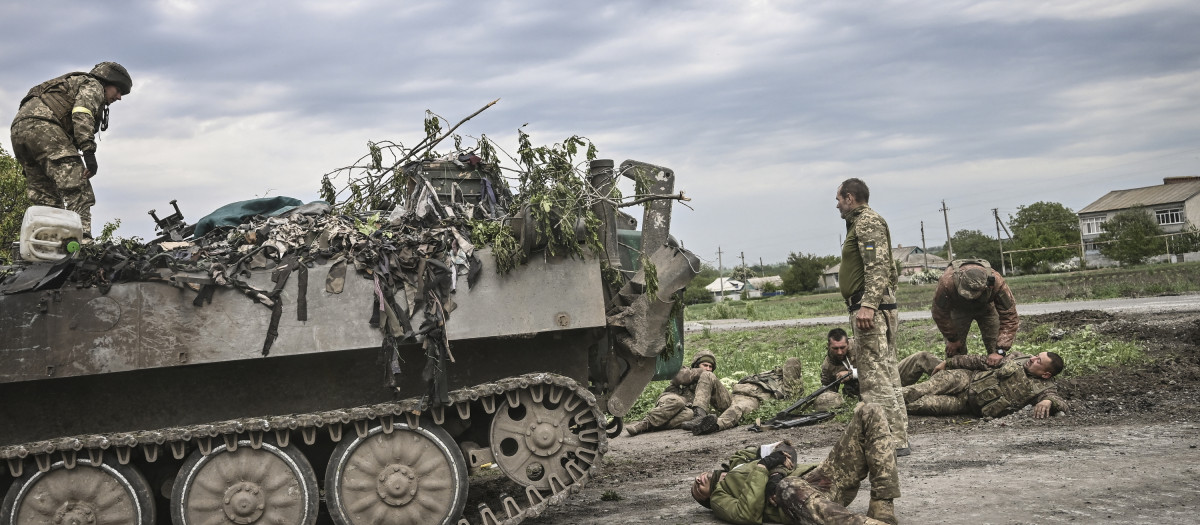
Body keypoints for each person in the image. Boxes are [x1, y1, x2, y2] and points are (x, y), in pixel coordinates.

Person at [691, 403, 900, 525]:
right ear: (707, 500)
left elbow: (785, 448)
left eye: (696, 480)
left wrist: (776, 474)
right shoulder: (720, 497)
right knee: (788, 486)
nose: (697, 481)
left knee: (870, 411)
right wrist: (764, 468)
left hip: (823, 475)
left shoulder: (739, 459)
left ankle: (882, 506)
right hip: (798, 498)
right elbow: (747, 514)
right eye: (696, 490)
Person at [10, 62, 133, 237]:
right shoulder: (93, 85)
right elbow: (82, 113)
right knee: (78, 187)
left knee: (46, 198)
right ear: (107, 82)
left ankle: (48, 246)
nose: (119, 97)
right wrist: (88, 152)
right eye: (118, 90)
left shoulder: (70, 83)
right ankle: (83, 244)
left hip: (19, 133)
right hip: (45, 128)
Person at [835, 178, 909, 456]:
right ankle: (897, 438)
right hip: (877, 307)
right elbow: (890, 269)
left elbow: (877, 266)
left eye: (839, 199)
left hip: (870, 311)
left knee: (875, 378)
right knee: (886, 373)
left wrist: (868, 305)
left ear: (850, 198)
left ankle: (888, 439)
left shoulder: (866, 223)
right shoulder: (862, 222)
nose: (838, 205)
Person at [902, 350, 1067, 419]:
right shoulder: (1017, 358)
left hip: (965, 404)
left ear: (1046, 374)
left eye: (1038, 361)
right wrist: (949, 362)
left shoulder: (1044, 389)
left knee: (922, 405)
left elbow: (1062, 404)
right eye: (1036, 355)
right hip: (965, 379)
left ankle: (883, 405)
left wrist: (1048, 401)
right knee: (920, 390)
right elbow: (981, 361)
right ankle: (883, 396)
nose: (1032, 358)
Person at [813, 329, 941, 411]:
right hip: (867, 394)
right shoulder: (827, 366)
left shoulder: (861, 345)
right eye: (835, 349)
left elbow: (880, 367)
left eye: (843, 347)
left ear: (848, 343)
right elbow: (828, 392)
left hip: (887, 378)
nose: (840, 351)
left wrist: (853, 375)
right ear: (828, 346)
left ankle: (950, 376)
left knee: (921, 357)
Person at [931, 259, 1019, 365]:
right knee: (955, 352)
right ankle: (956, 374)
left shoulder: (996, 282)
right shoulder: (947, 282)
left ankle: (997, 374)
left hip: (987, 308)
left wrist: (1001, 350)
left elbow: (1010, 315)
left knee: (996, 348)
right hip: (959, 309)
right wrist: (952, 338)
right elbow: (939, 313)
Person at [626, 351, 732, 436]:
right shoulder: (686, 371)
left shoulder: (708, 381)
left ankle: (650, 426)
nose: (708, 369)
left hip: (686, 410)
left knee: (689, 415)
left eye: (710, 367)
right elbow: (680, 377)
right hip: (671, 399)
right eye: (705, 365)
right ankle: (642, 424)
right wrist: (702, 373)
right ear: (696, 364)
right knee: (678, 402)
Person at [691, 357, 804, 435]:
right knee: (707, 374)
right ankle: (698, 415)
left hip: (752, 399)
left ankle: (713, 425)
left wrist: (794, 379)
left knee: (737, 408)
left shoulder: (789, 386)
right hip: (733, 395)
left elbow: (792, 395)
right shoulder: (768, 374)